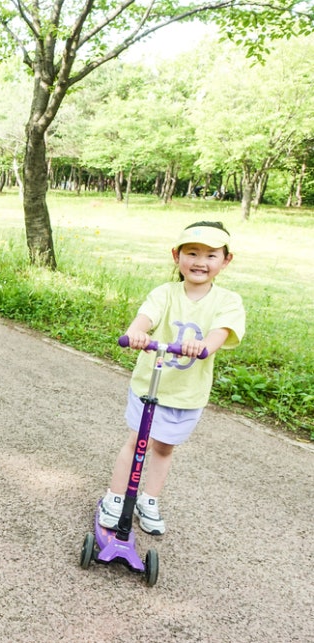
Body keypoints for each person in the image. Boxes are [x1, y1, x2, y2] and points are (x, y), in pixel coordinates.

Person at [99, 221, 245, 535]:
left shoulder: (228, 301)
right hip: (148, 386)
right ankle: (115, 496)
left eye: (210, 255)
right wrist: (136, 332)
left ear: (226, 260)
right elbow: (145, 317)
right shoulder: (165, 293)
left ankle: (148, 499)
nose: (200, 262)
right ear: (176, 255)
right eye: (192, 253)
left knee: (164, 448)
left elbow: (222, 332)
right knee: (138, 442)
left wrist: (204, 345)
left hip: (187, 394)